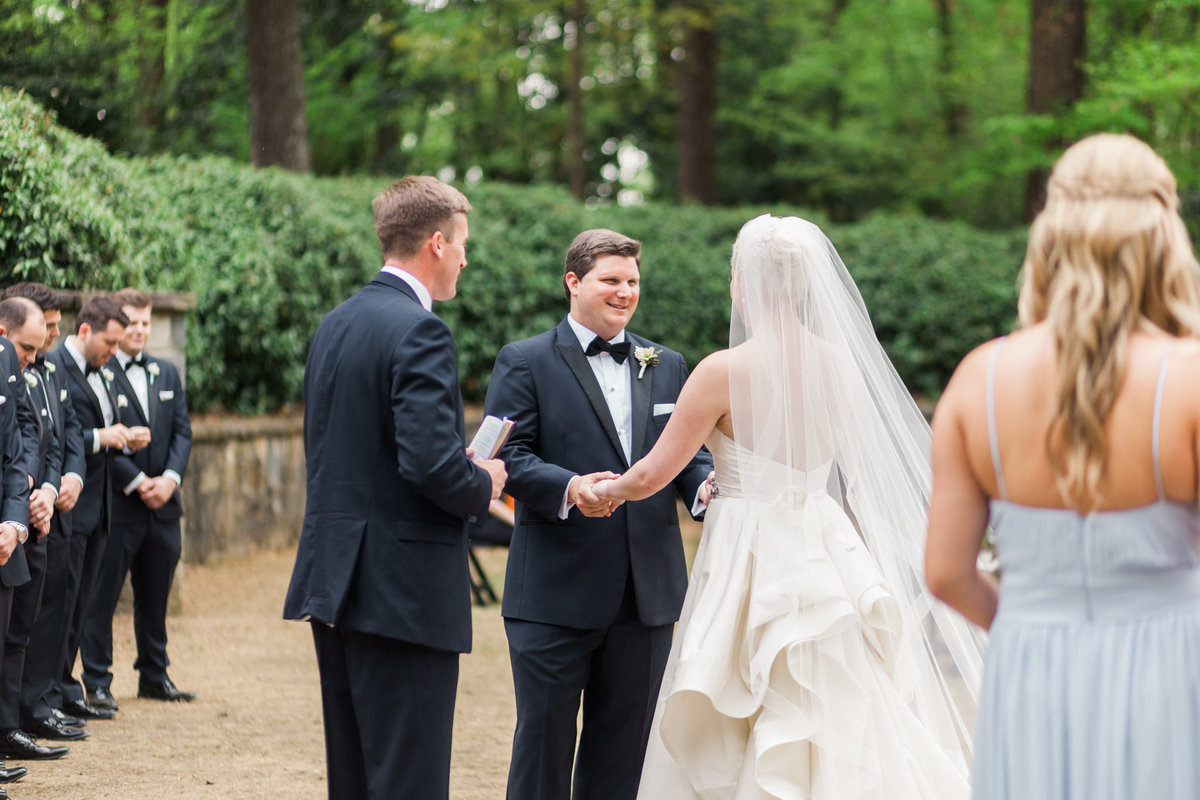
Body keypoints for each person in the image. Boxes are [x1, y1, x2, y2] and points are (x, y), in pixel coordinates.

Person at [593, 215, 984, 798]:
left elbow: (652, 475)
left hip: (748, 551)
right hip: (822, 546)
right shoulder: (842, 364)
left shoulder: (722, 371)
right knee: (835, 697)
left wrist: (598, 490)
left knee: (744, 691)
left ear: (744, 286)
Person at [925, 134, 1200, 799]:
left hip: (1029, 674)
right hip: (1172, 673)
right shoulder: (1189, 378)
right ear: (1166, 239)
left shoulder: (978, 380)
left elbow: (945, 574)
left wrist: (1034, 622)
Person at [283, 176, 506, 800]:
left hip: (337, 580)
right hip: (403, 589)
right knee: (409, 778)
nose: (466, 258)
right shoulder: (421, 330)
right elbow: (432, 467)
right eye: (463, 243)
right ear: (436, 243)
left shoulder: (336, 323)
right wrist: (481, 480)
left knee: (354, 774)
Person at [483, 228, 714, 800]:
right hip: (554, 594)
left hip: (647, 596)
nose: (625, 292)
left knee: (626, 757)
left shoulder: (668, 364)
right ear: (574, 282)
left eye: (632, 281)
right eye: (611, 280)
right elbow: (505, 454)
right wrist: (570, 487)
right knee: (543, 748)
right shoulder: (525, 360)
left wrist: (706, 489)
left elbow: (685, 453)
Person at [80, 289, 194, 707]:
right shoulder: (102, 373)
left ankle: (154, 674)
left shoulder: (166, 373)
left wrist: (169, 479)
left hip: (164, 506)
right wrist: (137, 482)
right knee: (102, 596)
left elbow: (183, 431)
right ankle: (97, 681)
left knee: (156, 594)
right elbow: (103, 440)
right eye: (133, 323)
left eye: (146, 323)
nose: (140, 331)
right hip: (120, 504)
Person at [46, 297, 146, 724]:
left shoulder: (103, 369)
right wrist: (103, 438)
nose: (113, 352)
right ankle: (49, 695)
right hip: (72, 505)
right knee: (60, 606)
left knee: (81, 605)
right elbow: (61, 433)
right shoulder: (55, 366)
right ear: (85, 331)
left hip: (101, 507)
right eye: (109, 342)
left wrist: (119, 437)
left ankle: (66, 688)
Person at [2, 284, 89, 742]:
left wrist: (52, 487)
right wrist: (23, 494)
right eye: (44, 331)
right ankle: (16, 716)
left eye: (54, 330)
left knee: (38, 618)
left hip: (40, 510)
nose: (52, 340)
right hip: (18, 512)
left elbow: (50, 439)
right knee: (15, 627)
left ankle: (33, 707)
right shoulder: (12, 372)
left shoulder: (46, 369)